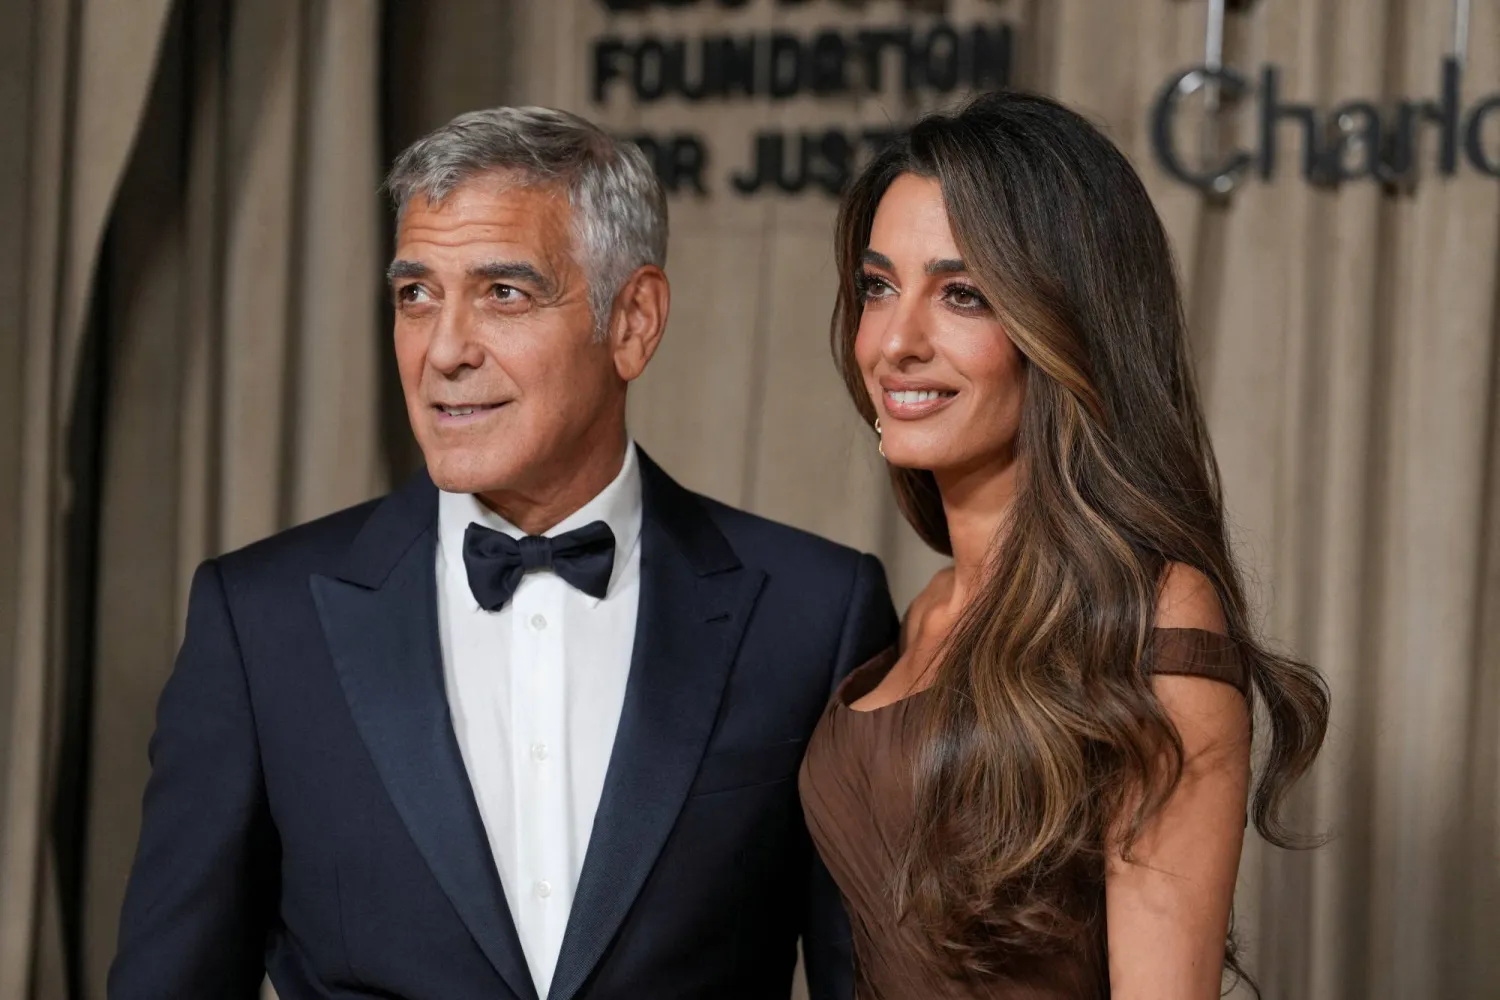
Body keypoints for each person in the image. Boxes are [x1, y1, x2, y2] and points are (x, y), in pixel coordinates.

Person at [109, 107, 896, 1000]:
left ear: (633, 320)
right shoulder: (261, 623)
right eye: (416, 295)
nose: (444, 350)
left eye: (503, 294)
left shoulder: (813, 614)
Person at [798, 91, 1330, 999]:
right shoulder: (926, 612)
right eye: (879, 287)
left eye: (962, 294)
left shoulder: (1153, 614)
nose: (895, 341)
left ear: (1066, 328)